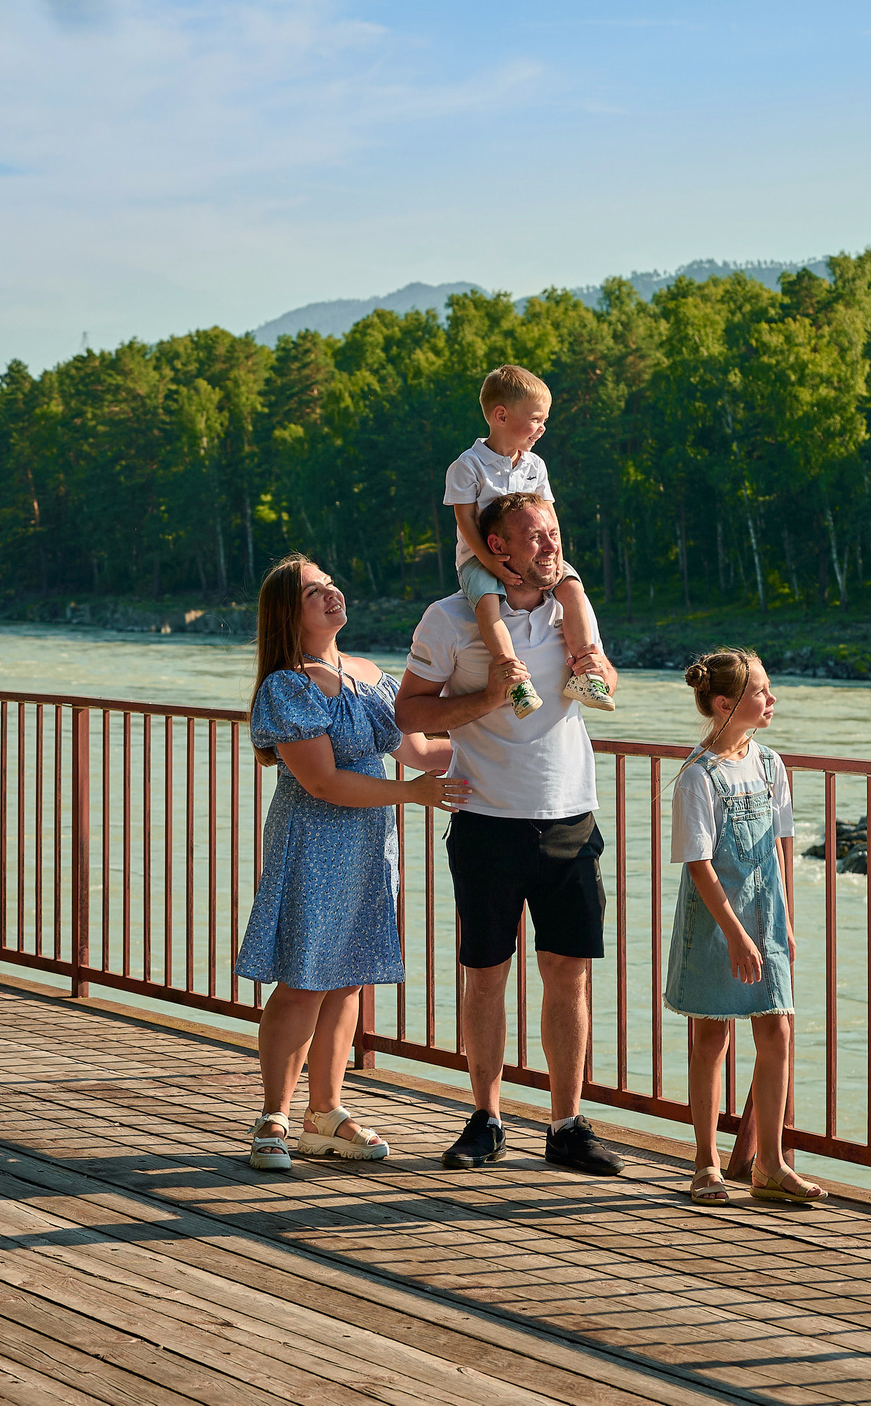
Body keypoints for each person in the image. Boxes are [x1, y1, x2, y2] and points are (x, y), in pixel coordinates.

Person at [394, 492, 623, 1175]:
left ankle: (566, 1127)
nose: (552, 547)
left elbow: (605, 681)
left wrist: (600, 672)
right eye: (538, 538)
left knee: (569, 979)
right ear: (498, 549)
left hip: (571, 820)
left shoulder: (569, 609)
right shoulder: (451, 618)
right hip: (487, 823)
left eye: (554, 533)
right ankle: (487, 1120)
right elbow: (407, 709)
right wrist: (486, 698)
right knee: (486, 978)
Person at [234, 555, 468, 1173]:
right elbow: (323, 782)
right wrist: (410, 793)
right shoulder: (288, 684)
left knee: (348, 977)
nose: (332, 595)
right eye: (316, 592)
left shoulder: (369, 676)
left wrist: (501, 736)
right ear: (290, 612)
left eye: (332, 585)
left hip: (368, 844)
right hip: (314, 840)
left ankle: (325, 1113)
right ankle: (274, 1116)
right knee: (304, 979)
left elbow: (418, 748)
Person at [664, 649, 825, 1205]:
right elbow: (699, 865)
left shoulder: (770, 764)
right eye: (761, 691)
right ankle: (706, 1162)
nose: (772, 699)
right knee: (712, 1035)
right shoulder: (697, 776)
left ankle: (771, 1164)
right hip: (716, 922)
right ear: (724, 704)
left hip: (767, 917)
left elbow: (780, 849)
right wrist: (734, 932)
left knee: (777, 1029)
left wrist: (786, 925)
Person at [444, 364, 618, 718]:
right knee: (488, 604)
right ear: (501, 415)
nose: (542, 428)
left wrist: (557, 562)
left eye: (545, 420)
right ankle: (514, 677)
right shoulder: (468, 465)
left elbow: (549, 518)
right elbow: (464, 520)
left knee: (572, 589)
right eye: (537, 419)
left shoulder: (535, 465)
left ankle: (586, 670)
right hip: (480, 557)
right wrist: (491, 563)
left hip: (536, 556)